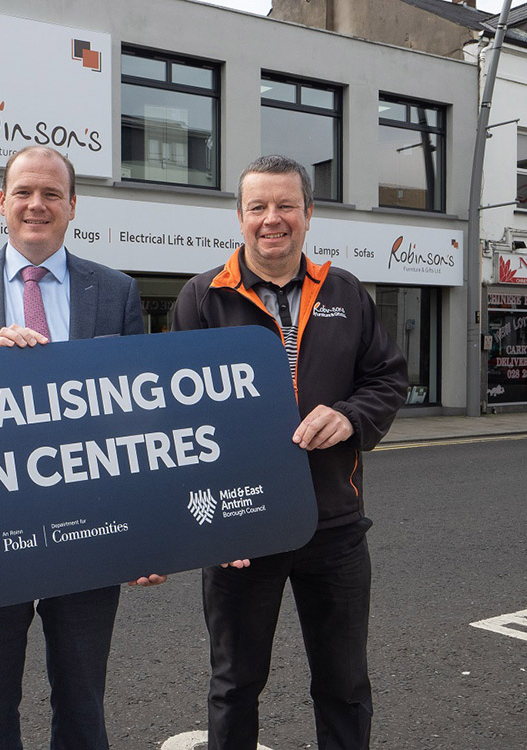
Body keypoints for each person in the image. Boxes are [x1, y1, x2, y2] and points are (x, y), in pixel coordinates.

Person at [0, 145, 164, 750]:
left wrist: (146, 533)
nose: (36, 204)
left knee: (83, 699)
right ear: (1, 202)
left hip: (89, 531)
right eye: (24, 192)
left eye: (52, 193)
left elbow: (141, 420)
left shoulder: (117, 291)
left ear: (73, 206)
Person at [172, 155, 407, 750]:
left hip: (335, 527)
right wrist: (215, 524)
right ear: (240, 216)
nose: (271, 219)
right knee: (234, 684)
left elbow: (386, 379)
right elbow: (177, 420)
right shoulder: (202, 299)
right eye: (258, 207)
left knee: (344, 683)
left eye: (285, 206)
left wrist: (350, 416)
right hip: (242, 529)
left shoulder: (346, 292)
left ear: (308, 214)